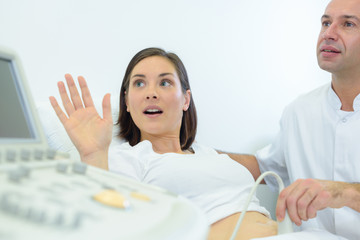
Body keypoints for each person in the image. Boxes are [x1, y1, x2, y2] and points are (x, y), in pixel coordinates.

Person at [49, 47, 277, 240]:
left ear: (186, 99)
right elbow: (104, 226)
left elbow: (270, 166)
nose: (151, 93)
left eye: (165, 82)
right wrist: (93, 156)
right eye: (139, 84)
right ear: (127, 102)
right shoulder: (127, 159)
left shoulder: (206, 153)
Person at [229, 0, 360, 239]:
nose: (329, 34)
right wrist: (192, 153)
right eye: (326, 23)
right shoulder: (299, 110)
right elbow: (267, 167)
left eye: (348, 24)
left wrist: (345, 193)